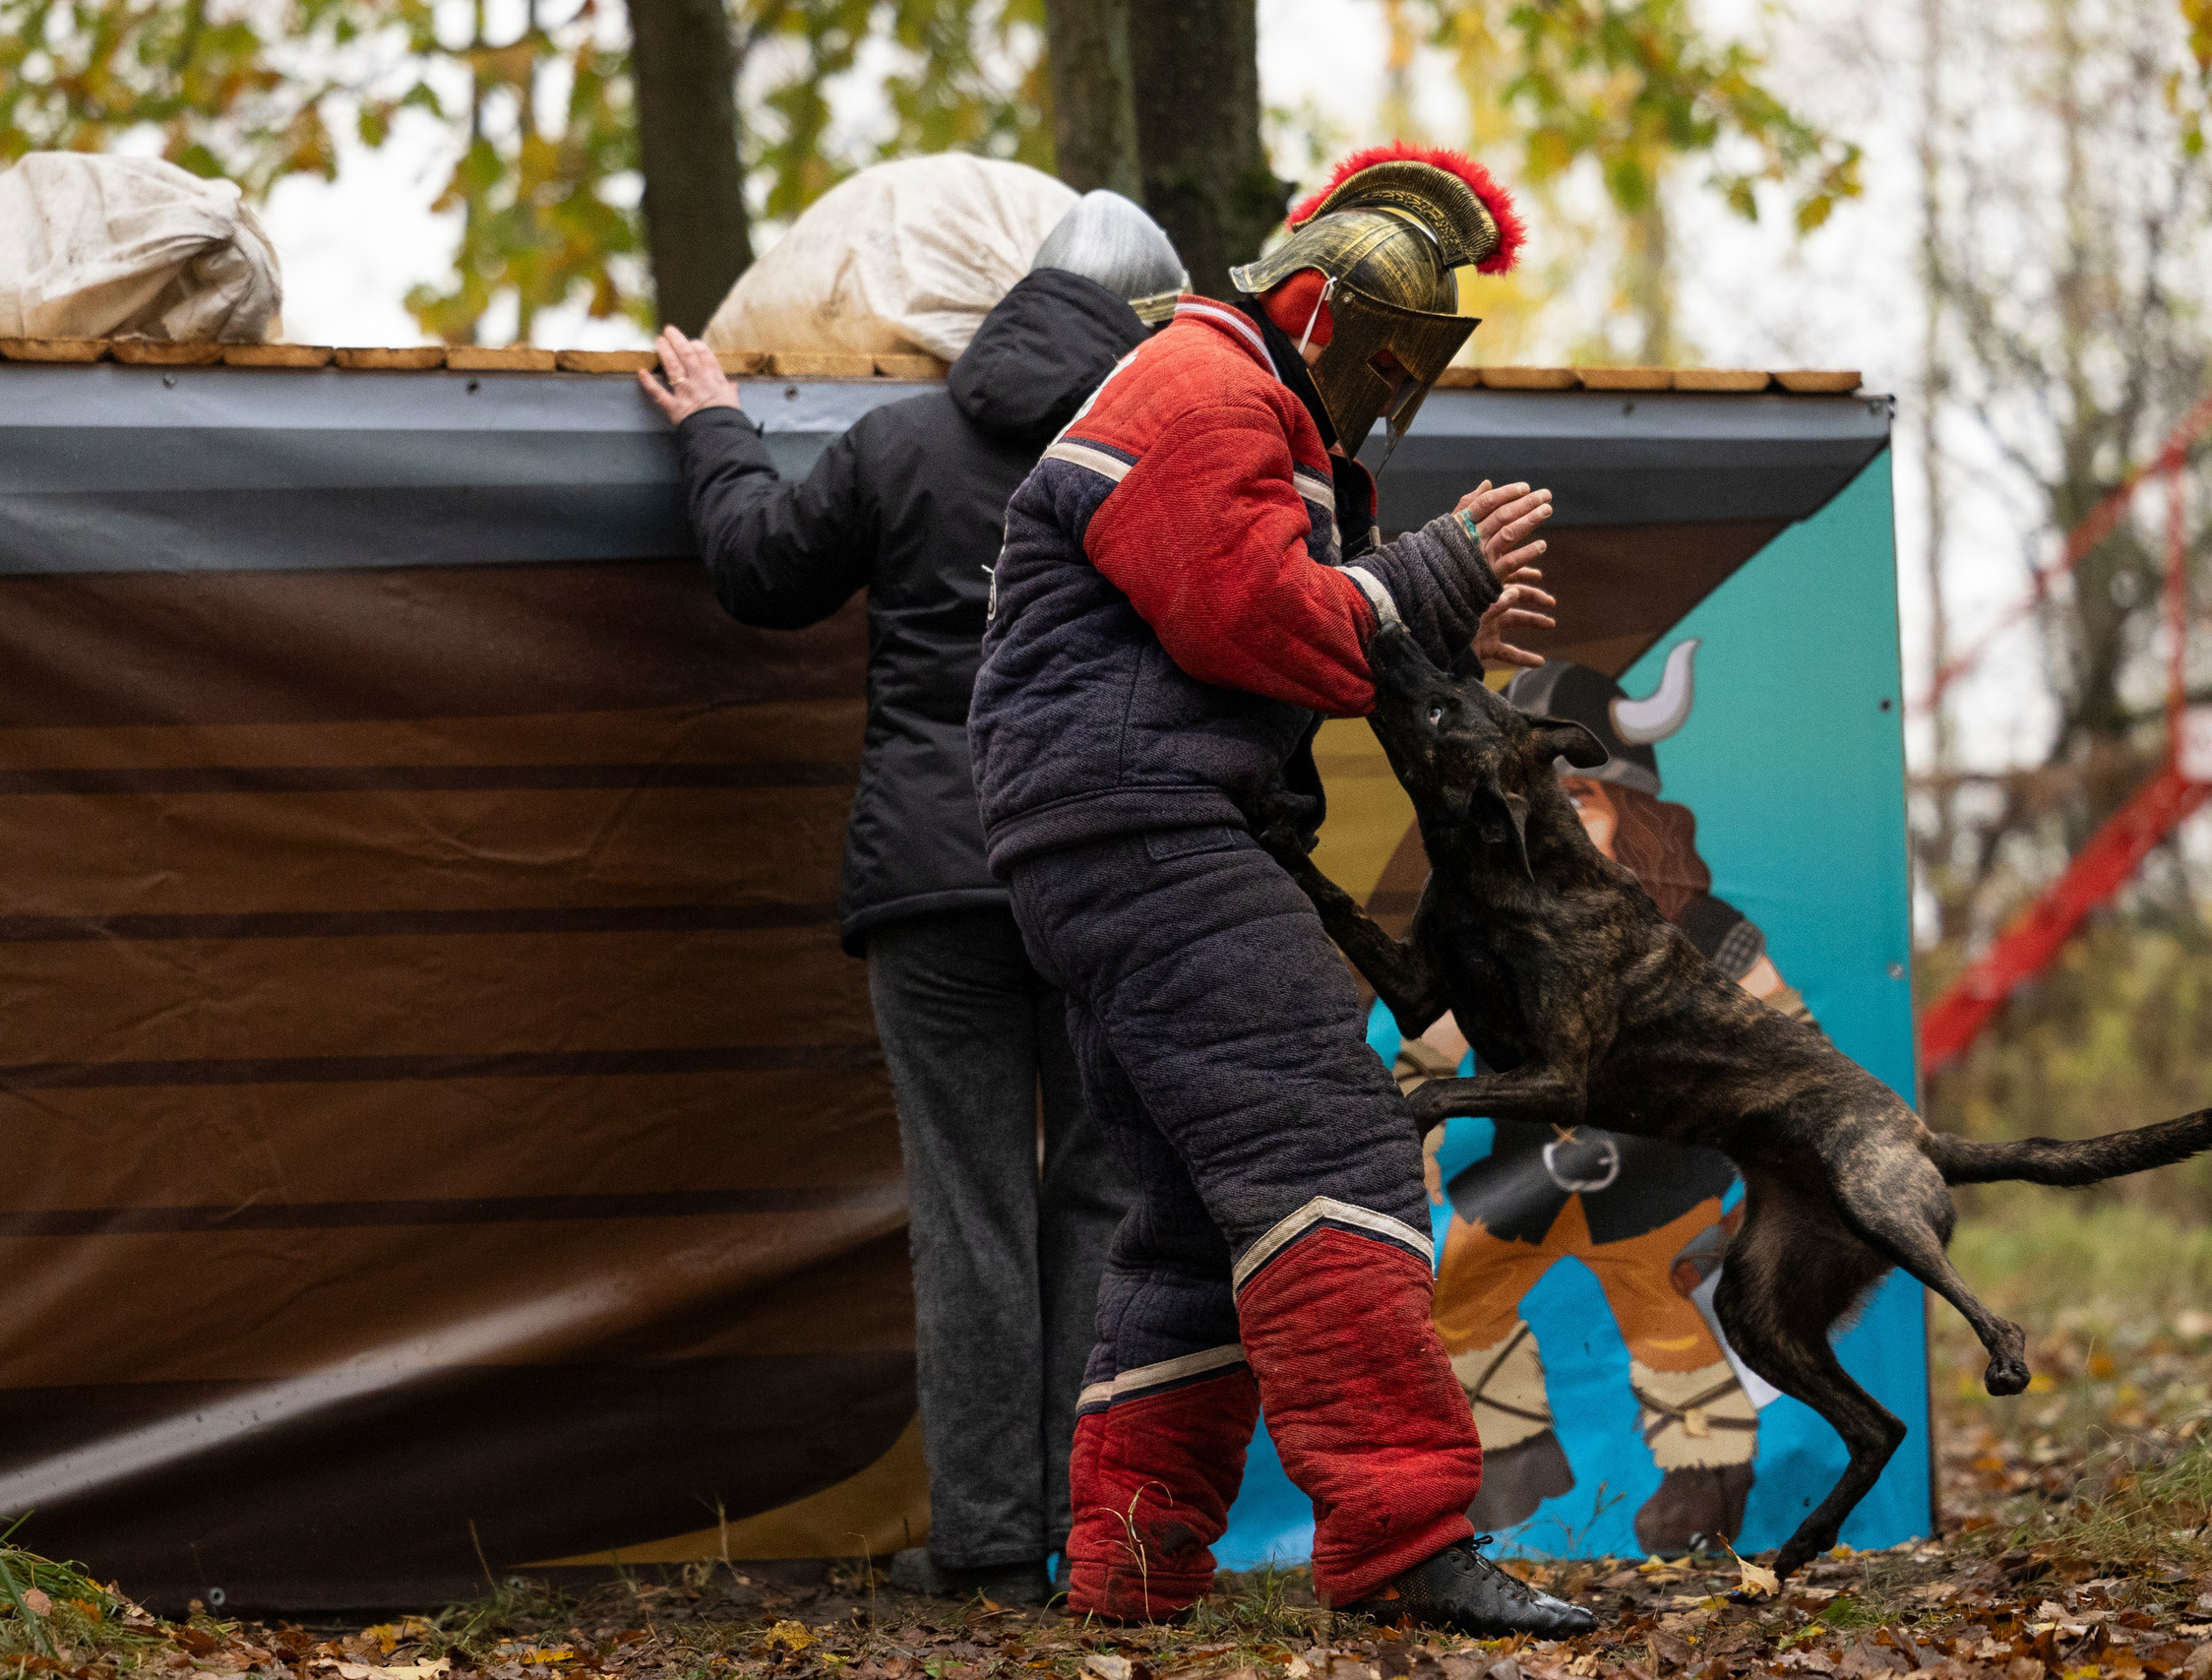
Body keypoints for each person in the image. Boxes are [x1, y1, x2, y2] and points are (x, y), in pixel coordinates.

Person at [965, 143, 1590, 1636]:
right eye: (1388, 350)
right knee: (1334, 1145)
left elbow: (1314, 624)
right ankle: (1404, 1542)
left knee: (1191, 1218)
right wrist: (1436, 566)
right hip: (1147, 834)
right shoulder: (1203, 387)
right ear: (1321, 315)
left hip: (1112, 836)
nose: (1396, 385)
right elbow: (1251, 613)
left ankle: (1127, 1573)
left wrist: (1450, 616)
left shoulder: (1235, 398)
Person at [638, 190, 1191, 1605]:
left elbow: (760, 570)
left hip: (934, 878)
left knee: (969, 1210)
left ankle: (990, 1538)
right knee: (1101, 1195)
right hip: (1098, 872)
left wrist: (713, 425)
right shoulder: (1157, 459)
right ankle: (1086, 1532)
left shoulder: (901, 441)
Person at [1400, 646, 1822, 1559]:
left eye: (1576, 798)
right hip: (1519, 1181)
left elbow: (1792, 1048)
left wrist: (1777, 1172)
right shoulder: (1488, 921)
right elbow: (1427, 1048)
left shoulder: (1704, 932)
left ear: (1631, 810)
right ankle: (1512, 1458)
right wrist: (1411, 1141)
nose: (1547, 819)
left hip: (1658, 1192)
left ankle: (1707, 1479)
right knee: (1448, 1302)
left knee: (1674, 1333)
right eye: (1528, 797)